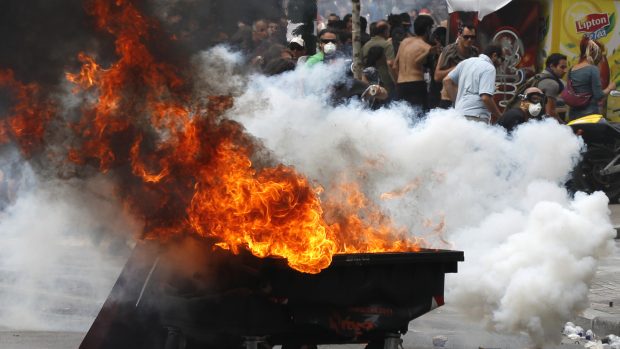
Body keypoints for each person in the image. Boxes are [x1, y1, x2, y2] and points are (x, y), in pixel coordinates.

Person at [443, 43, 504, 124]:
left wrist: (458, 102)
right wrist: (500, 115)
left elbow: (446, 81)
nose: (501, 63)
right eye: (502, 59)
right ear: (494, 55)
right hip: (476, 117)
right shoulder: (489, 68)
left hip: (459, 115)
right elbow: (485, 98)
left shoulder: (466, 62)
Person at [567, 36, 616, 121]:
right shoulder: (592, 69)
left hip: (573, 114)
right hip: (589, 115)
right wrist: (610, 88)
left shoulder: (573, 69)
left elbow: (570, 91)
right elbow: (599, 95)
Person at [392, 14, 434, 112]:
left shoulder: (404, 42)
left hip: (401, 85)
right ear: (428, 29)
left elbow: (394, 66)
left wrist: (398, 83)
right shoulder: (425, 47)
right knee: (419, 119)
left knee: (403, 118)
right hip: (416, 85)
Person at [433, 22, 479, 109]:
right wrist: (457, 68)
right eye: (466, 37)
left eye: (473, 37)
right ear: (460, 35)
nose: (469, 40)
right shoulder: (449, 51)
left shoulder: (475, 52)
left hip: (465, 102)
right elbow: (437, 77)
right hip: (448, 101)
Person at [362, 20, 396, 96]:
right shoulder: (387, 44)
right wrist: (396, 81)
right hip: (385, 81)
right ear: (385, 31)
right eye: (388, 30)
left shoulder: (366, 45)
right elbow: (390, 63)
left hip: (369, 81)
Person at [536, 53, 568, 120]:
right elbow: (550, 113)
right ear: (552, 66)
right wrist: (564, 126)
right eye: (562, 67)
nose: (565, 71)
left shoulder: (538, 77)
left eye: (566, 67)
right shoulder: (552, 84)